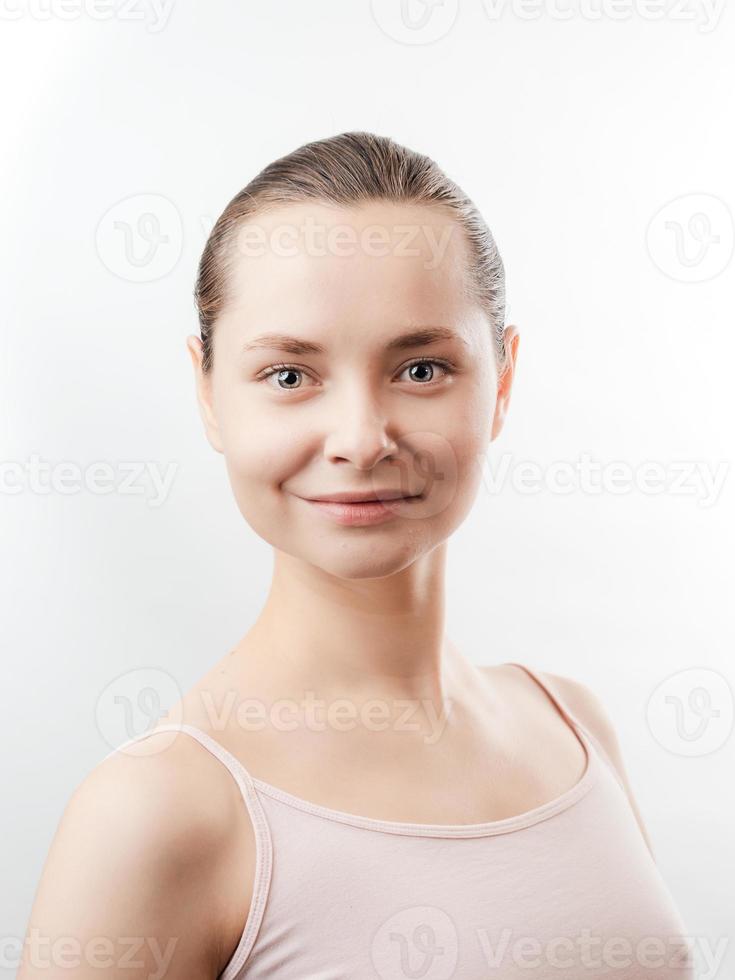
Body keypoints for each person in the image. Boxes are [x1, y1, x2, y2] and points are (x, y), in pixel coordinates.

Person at [18, 132, 693, 979]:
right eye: (289, 377)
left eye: (419, 368)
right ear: (208, 394)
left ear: (503, 382)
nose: (361, 440)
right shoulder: (159, 812)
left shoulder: (574, 724)